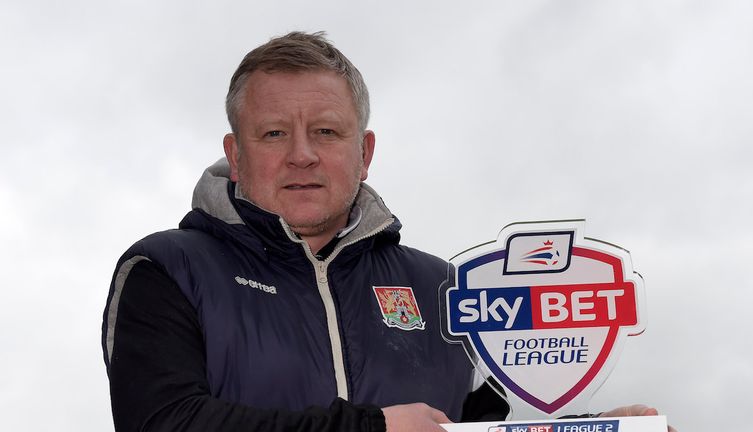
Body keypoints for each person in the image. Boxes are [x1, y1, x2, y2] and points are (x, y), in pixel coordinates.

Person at [101, 31, 670, 432]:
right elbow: (163, 422)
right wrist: (372, 429)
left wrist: (598, 431)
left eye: (326, 131)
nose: (302, 155)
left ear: (365, 152)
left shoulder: (443, 288)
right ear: (236, 153)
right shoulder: (166, 269)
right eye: (273, 133)